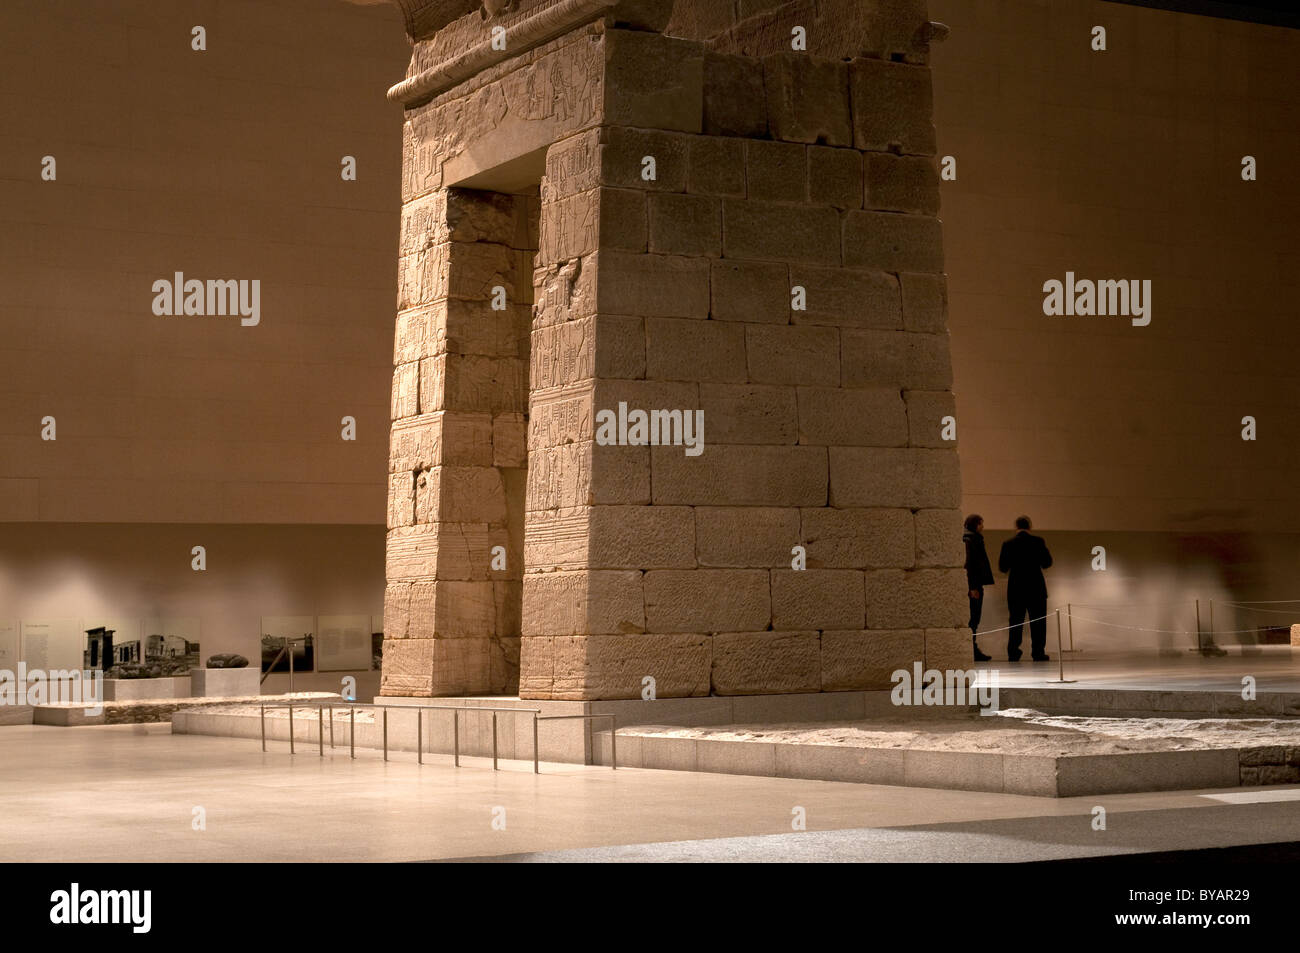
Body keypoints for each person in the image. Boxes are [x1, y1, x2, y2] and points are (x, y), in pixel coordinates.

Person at [998, 515, 1053, 661]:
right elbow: (1047, 563)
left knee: (1015, 621)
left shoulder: (1008, 544)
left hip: (1016, 588)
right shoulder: (1038, 541)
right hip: (1036, 588)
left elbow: (1002, 567)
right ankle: (1038, 652)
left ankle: (1013, 652)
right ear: (1030, 526)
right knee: (1038, 622)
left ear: (1016, 527)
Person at [962, 514, 994, 661]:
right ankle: (971, 650)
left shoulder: (973, 539)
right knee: (973, 619)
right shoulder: (970, 540)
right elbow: (970, 565)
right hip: (973, 586)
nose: (983, 526)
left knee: (974, 619)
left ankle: (972, 648)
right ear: (975, 525)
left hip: (974, 585)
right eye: (981, 523)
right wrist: (973, 587)